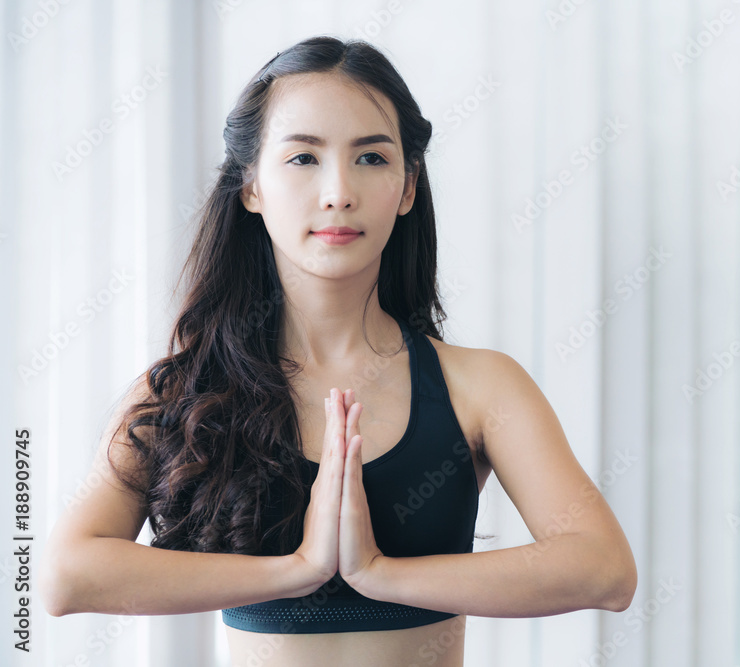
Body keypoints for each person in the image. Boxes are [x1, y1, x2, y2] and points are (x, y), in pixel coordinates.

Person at [39, 35, 637, 667]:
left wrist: (380, 574)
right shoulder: (183, 391)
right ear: (251, 186)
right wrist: (298, 569)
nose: (338, 192)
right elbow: (65, 577)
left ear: (408, 189)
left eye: (372, 159)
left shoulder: (481, 386)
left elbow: (603, 569)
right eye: (303, 158)